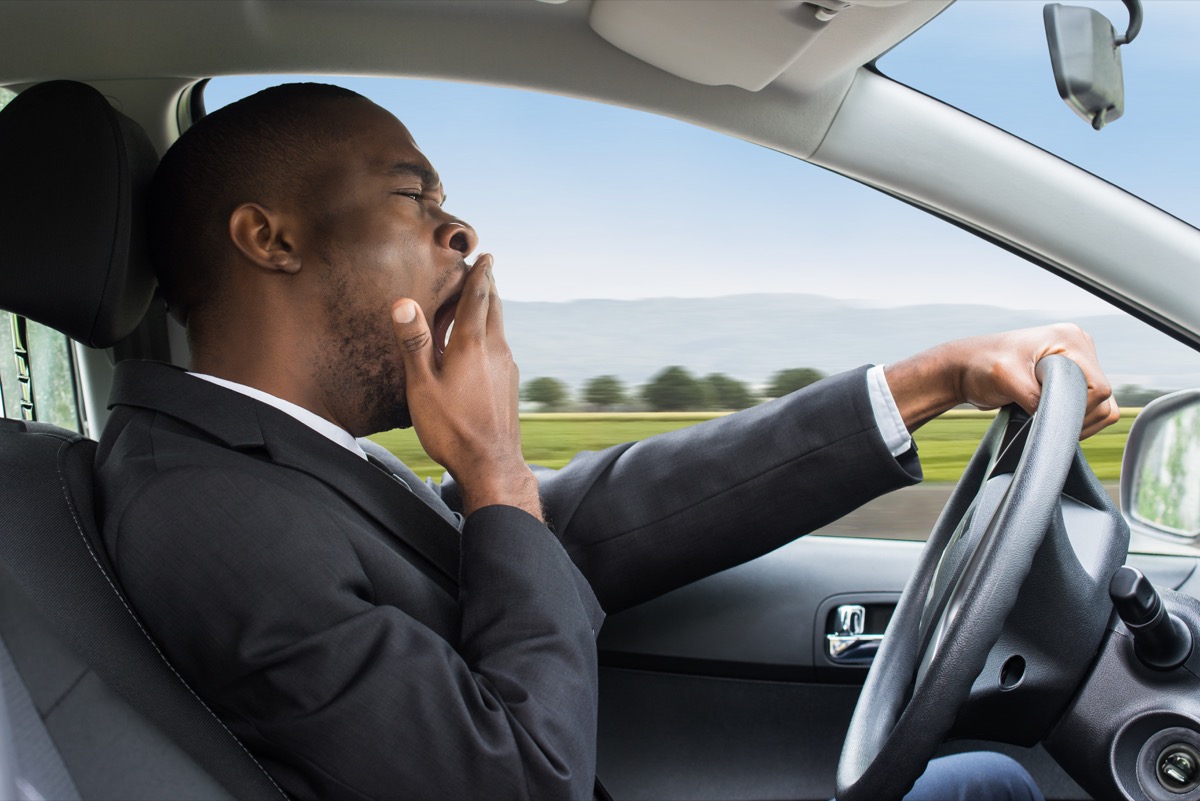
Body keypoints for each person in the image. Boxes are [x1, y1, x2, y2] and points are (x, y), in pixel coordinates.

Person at [95, 83, 1115, 801]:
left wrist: (932, 379)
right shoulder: (206, 509)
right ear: (269, 238)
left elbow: (564, 534)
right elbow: (517, 784)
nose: (460, 232)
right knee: (991, 784)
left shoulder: (286, 456)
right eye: (416, 197)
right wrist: (492, 469)